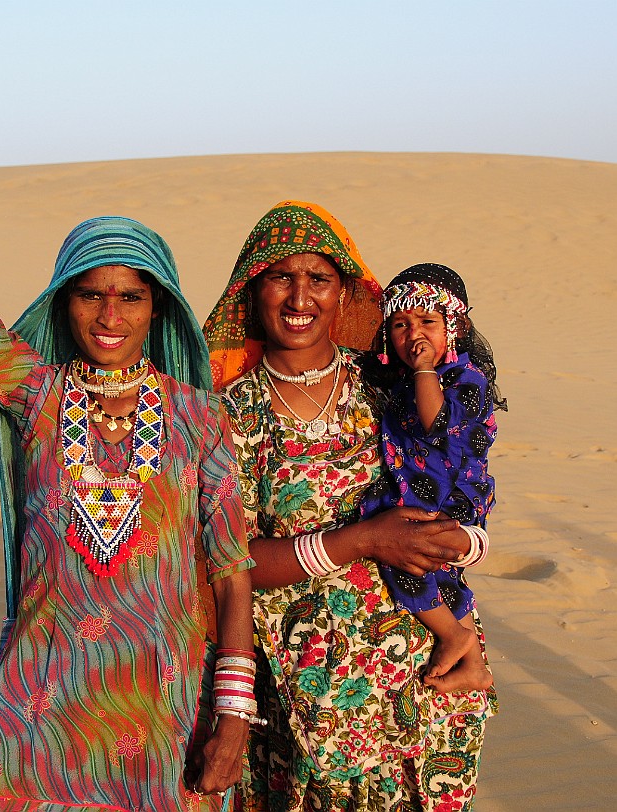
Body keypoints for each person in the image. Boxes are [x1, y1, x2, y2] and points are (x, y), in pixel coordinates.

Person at [0, 23, 257, 811]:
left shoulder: (199, 418)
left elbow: (231, 570)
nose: (109, 313)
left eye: (130, 296)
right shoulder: (34, 393)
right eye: (90, 292)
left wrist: (233, 710)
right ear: (64, 300)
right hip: (36, 699)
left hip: (159, 706)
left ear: (157, 306)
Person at [203, 201, 497, 811]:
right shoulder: (226, 417)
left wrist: (469, 547)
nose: (299, 297)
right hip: (310, 698)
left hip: (426, 675)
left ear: (346, 296)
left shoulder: (391, 383)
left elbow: (459, 478)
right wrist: (363, 540)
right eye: (281, 277)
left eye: (319, 279)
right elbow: (230, 563)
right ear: (252, 293)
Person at [359, 263, 506, 692]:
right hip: (422, 494)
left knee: (404, 563)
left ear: (454, 329)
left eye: (427, 322)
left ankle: (454, 634)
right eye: (400, 325)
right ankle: (475, 663)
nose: (413, 335)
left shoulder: (465, 379)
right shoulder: (406, 381)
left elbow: (435, 424)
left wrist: (424, 372)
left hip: (449, 499)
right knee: (442, 575)